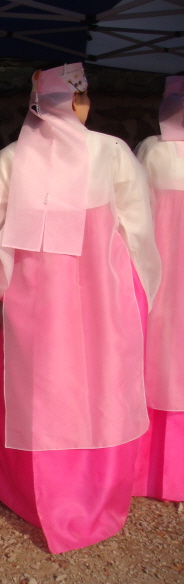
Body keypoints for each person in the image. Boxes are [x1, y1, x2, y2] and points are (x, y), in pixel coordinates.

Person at [0, 63, 160, 553]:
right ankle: (100, 484)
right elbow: (139, 232)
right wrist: (136, 292)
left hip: (38, 307)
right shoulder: (112, 153)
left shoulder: (10, 160)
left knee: (40, 392)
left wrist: (9, 280)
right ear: (77, 101)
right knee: (101, 390)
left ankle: (32, 488)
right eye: (80, 96)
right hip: (105, 301)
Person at [133, 75, 184, 503]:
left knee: (159, 356)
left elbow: (134, 218)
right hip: (166, 274)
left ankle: (147, 467)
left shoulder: (153, 151)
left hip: (163, 275)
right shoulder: (154, 152)